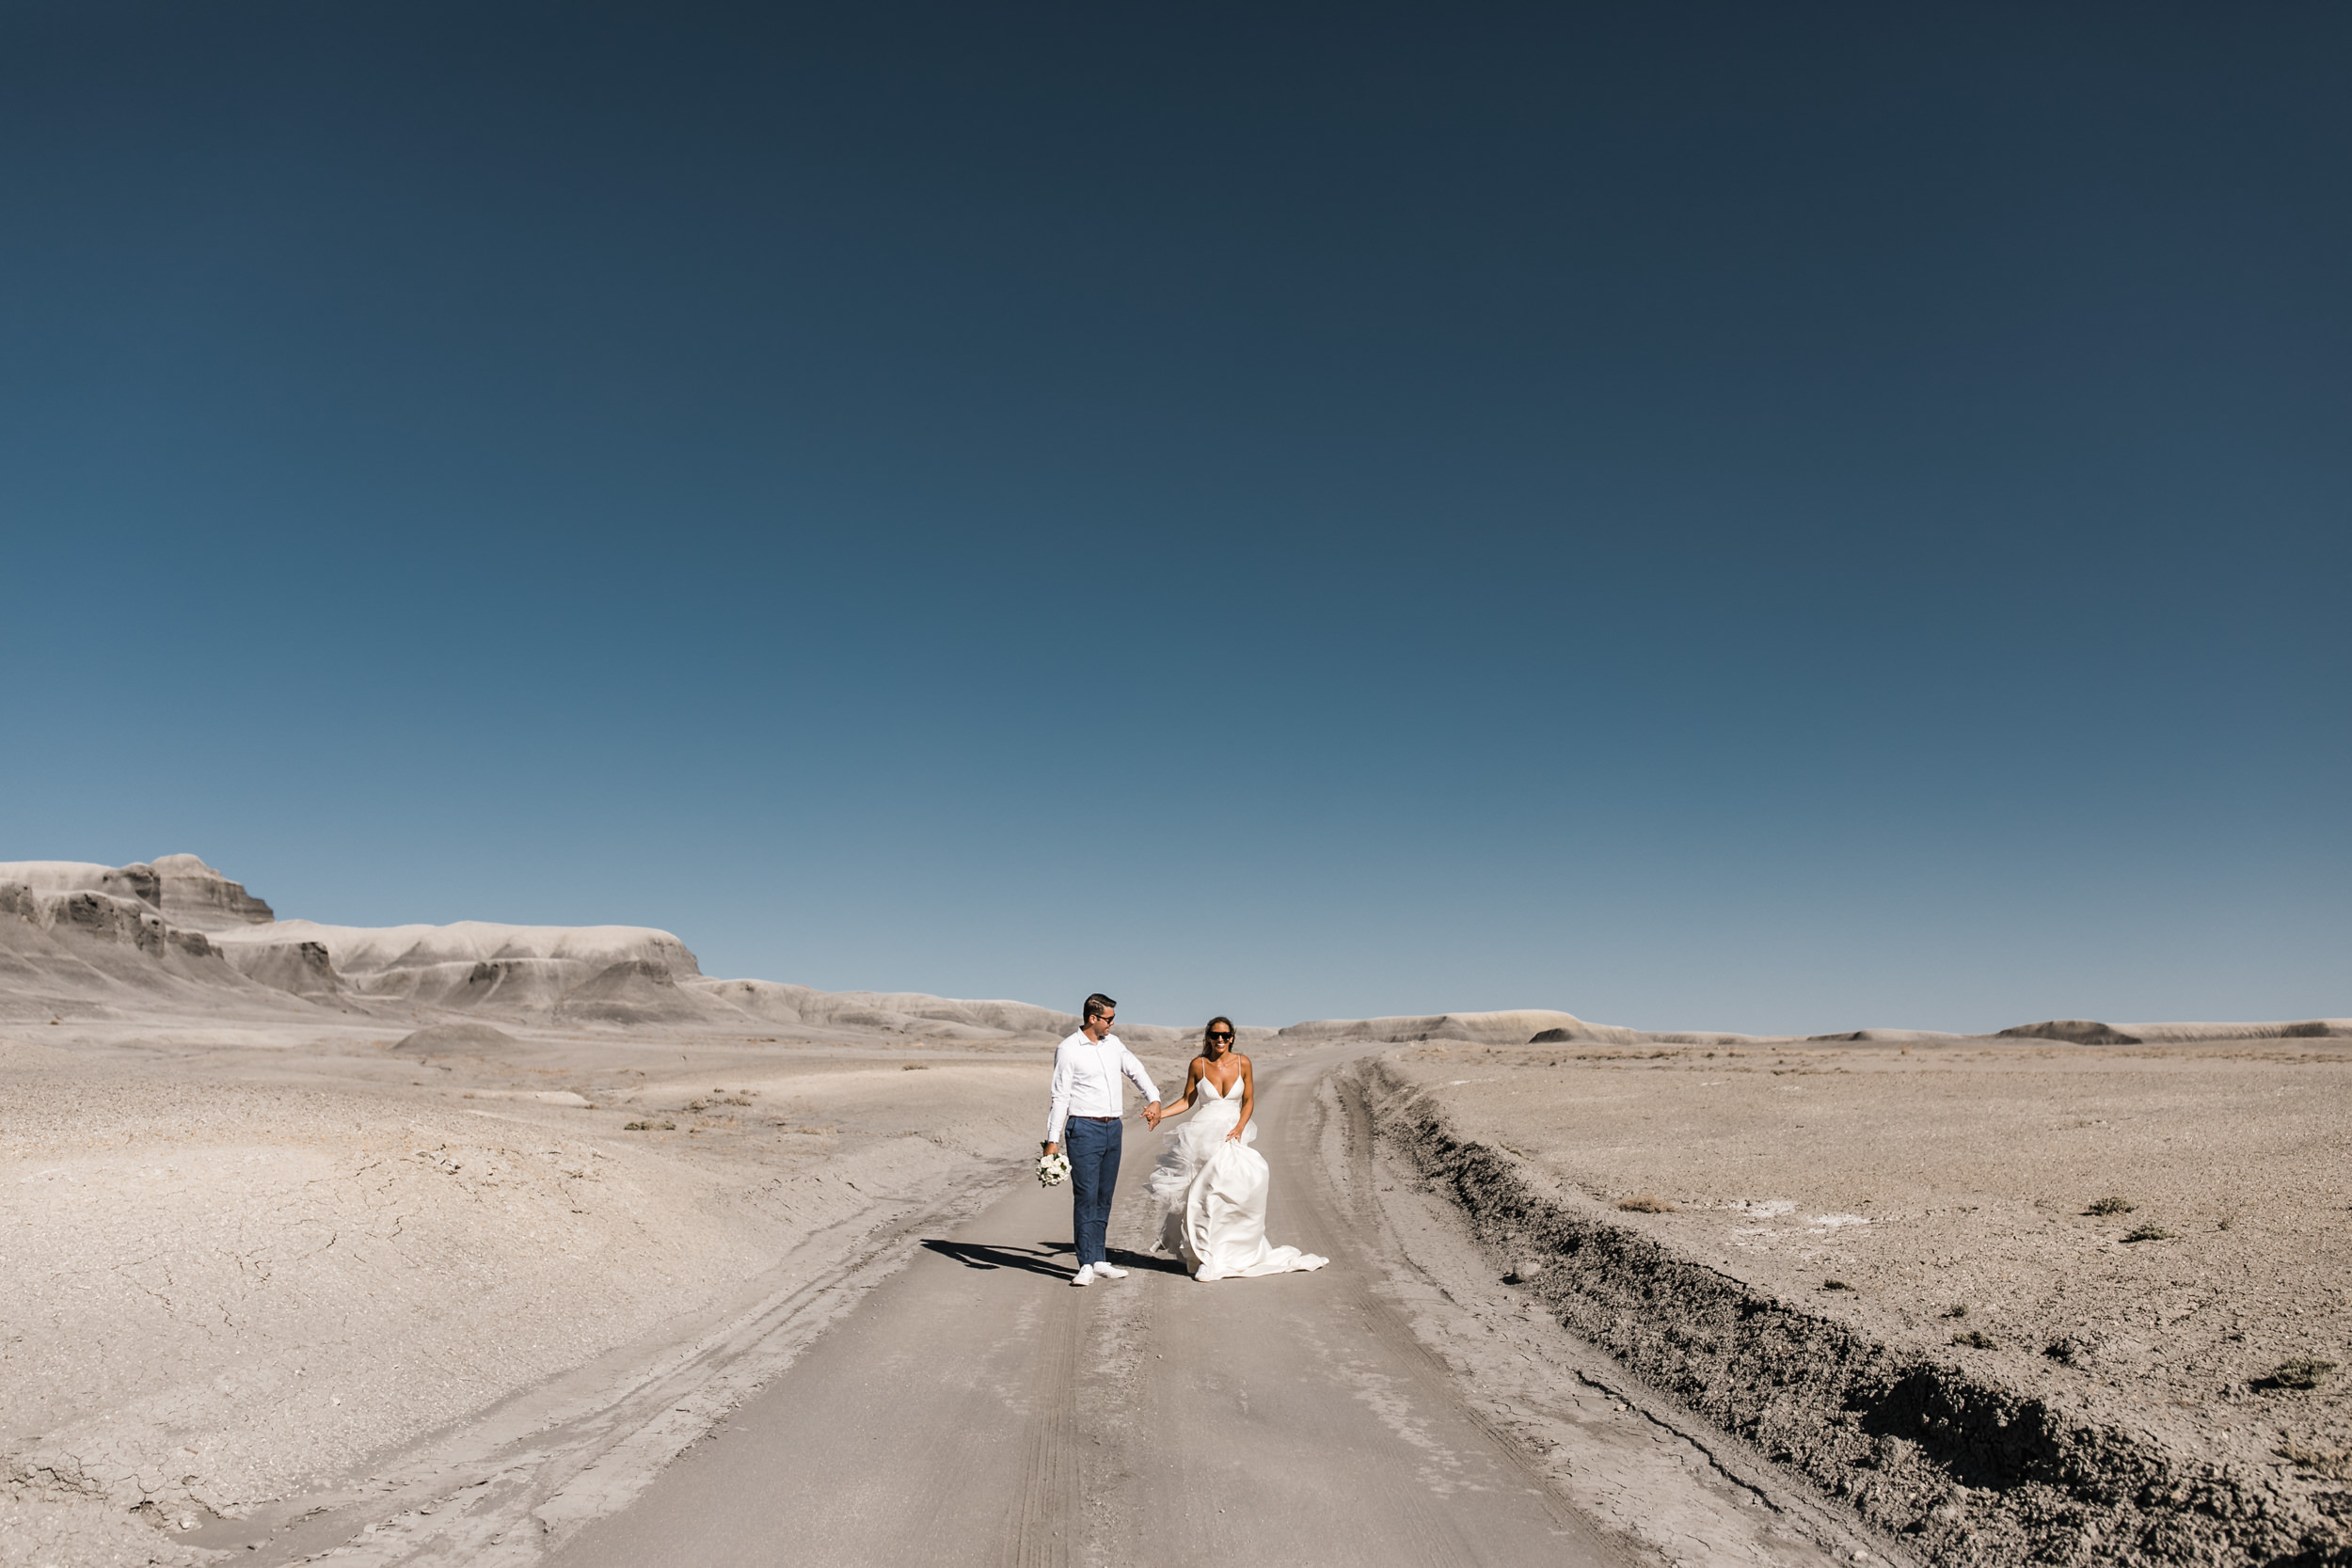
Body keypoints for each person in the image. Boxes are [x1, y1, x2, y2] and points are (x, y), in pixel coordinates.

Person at [1144, 1017, 1328, 1281]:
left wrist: (1240, 1126)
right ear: (1208, 1036)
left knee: (1238, 1191)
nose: (1221, 1040)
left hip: (1232, 1134)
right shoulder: (1199, 1065)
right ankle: (1206, 1257)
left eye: (1226, 1035)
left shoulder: (1243, 1063)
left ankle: (1229, 1252)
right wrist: (1160, 1115)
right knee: (1203, 1196)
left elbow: (1249, 1099)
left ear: (1232, 1037)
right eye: (1216, 1035)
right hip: (1202, 1135)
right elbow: (1187, 1100)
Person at [1042, 993, 1160, 1287]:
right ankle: (1084, 1264)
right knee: (1086, 1196)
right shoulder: (1068, 1049)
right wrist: (1052, 1140)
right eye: (1108, 1018)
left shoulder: (1114, 1044)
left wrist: (1154, 1098)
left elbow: (1136, 1070)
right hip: (1083, 1129)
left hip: (1113, 1128)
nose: (1112, 1023)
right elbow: (1060, 1096)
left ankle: (1098, 1258)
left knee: (1104, 1197)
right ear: (1092, 1018)